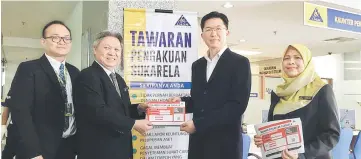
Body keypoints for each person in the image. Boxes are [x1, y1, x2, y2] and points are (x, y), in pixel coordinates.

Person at [169, 11, 252, 159]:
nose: (213, 33)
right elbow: (199, 100)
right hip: (199, 143)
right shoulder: (197, 65)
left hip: (225, 145)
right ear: (202, 36)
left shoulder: (240, 63)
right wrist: (181, 103)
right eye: (208, 29)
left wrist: (198, 124)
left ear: (227, 32)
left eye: (218, 28)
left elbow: (237, 106)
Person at [74, 31, 153, 159]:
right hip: (99, 151)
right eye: (107, 48)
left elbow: (121, 109)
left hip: (121, 149)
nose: (112, 53)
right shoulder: (87, 76)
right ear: (94, 49)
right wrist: (133, 124)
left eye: (117, 49)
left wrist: (138, 109)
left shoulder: (118, 79)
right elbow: (98, 111)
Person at [7, 20, 79, 159]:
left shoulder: (75, 72)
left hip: (68, 148)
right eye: (55, 37)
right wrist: (34, 152)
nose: (61, 41)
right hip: (40, 149)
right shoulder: (29, 69)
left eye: (66, 38)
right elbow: (21, 113)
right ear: (43, 42)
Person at [254, 44, 340, 159]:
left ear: (307, 62)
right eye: (286, 58)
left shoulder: (321, 90)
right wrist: (264, 139)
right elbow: (274, 129)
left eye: (297, 57)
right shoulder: (278, 93)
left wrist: (302, 155)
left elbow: (332, 134)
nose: (291, 62)